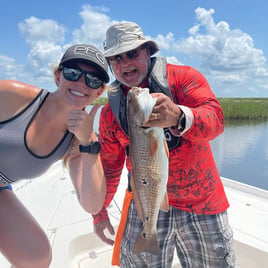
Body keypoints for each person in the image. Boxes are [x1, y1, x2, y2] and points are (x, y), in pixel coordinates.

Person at [92, 22, 239, 268]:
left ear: (147, 52)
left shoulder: (183, 78)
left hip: (202, 201)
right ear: (110, 65)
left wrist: (180, 116)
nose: (125, 63)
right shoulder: (111, 113)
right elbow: (109, 167)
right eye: (116, 58)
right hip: (146, 204)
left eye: (132, 53)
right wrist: (99, 212)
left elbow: (217, 120)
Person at [0, 44, 109, 268]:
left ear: (99, 92)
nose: (81, 83)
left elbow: (92, 204)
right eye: (72, 73)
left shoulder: (77, 141)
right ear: (58, 76)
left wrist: (89, 143)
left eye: (93, 80)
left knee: (37, 257)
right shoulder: (12, 96)